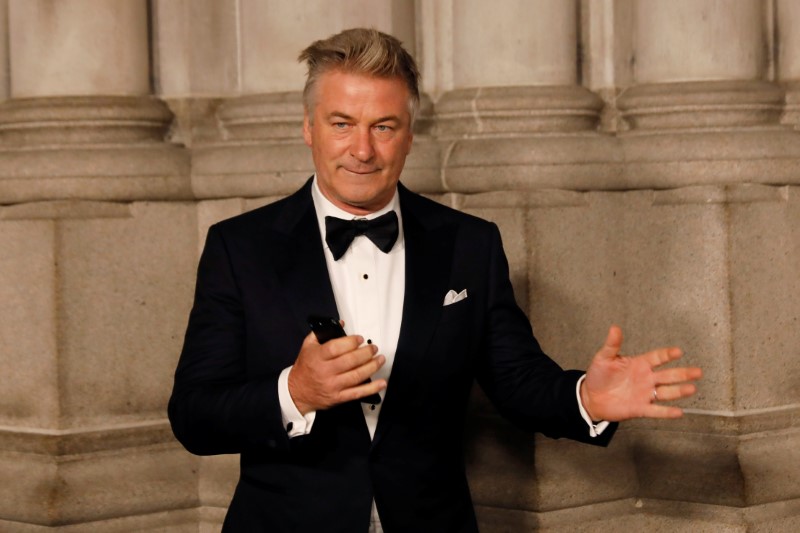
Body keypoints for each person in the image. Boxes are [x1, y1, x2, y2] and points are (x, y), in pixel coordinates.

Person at [168, 28, 702, 532]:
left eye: (383, 126)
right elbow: (194, 416)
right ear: (308, 128)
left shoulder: (469, 244)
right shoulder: (239, 247)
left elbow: (517, 382)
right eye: (341, 123)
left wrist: (586, 397)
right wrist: (296, 391)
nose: (362, 149)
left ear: (409, 135)